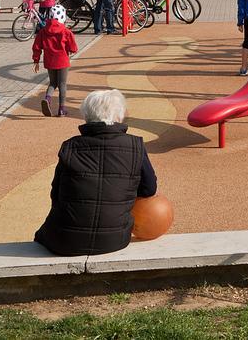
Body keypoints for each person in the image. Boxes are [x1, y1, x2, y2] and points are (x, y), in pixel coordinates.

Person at [34, 89, 158, 256]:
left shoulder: (70, 146)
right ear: (119, 116)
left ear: (86, 116)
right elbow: (149, 189)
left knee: (41, 236)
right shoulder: (136, 146)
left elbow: (55, 193)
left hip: (65, 240)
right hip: (115, 240)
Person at [33, 5, 78, 117]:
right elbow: (73, 48)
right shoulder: (66, 32)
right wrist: (71, 50)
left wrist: (36, 60)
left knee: (53, 83)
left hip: (49, 61)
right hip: (62, 61)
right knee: (62, 84)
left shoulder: (43, 31)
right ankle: (62, 108)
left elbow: (37, 47)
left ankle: (47, 99)